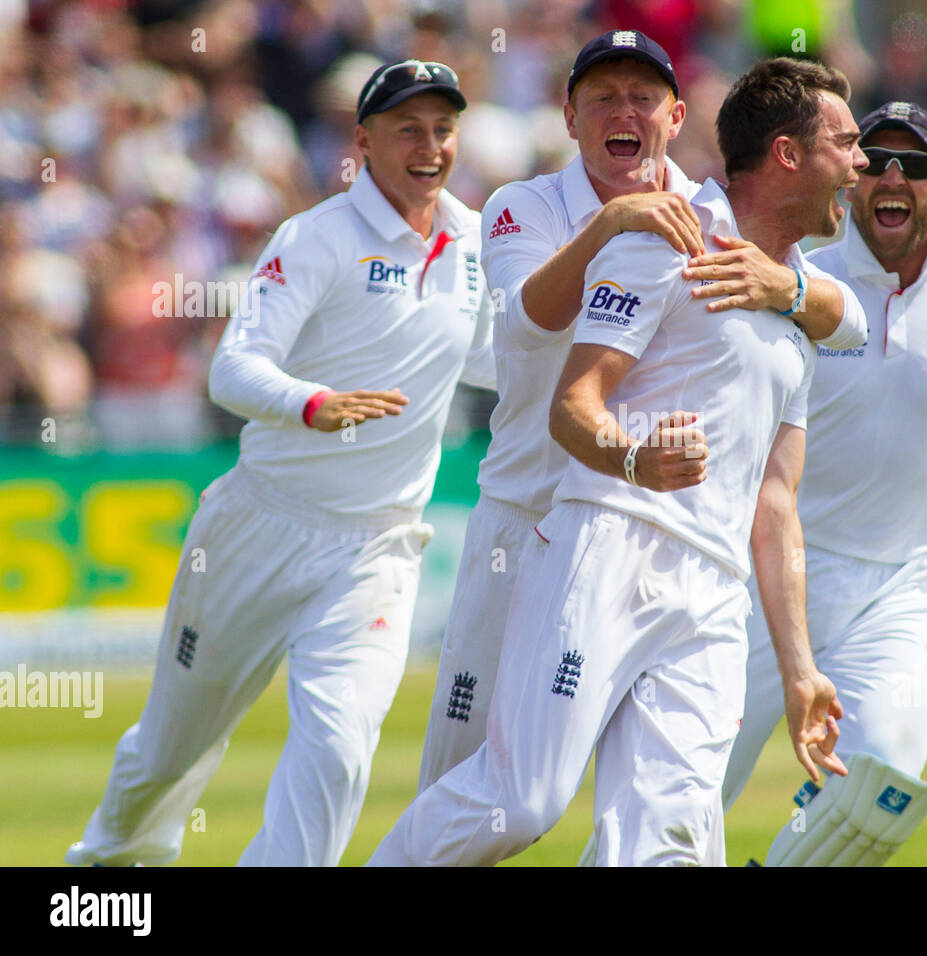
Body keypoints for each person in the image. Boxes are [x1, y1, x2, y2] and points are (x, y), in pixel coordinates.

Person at [369, 56, 869, 867]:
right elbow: (551, 368)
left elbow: (777, 496)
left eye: (644, 97)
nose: (862, 164)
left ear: (676, 117)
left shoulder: (792, 294)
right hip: (589, 531)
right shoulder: (637, 232)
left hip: (709, 587)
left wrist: (801, 667)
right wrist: (634, 458)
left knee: (665, 838)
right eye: (845, 144)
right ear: (786, 153)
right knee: (511, 799)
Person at [66, 60, 496, 867]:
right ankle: (106, 864)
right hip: (260, 525)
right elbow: (232, 368)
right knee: (171, 749)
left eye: (443, 128)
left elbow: (492, 361)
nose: (429, 146)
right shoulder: (316, 237)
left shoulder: (472, 242)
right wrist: (311, 402)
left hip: (375, 547)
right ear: (363, 142)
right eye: (408, 128)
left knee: (338, 749)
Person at [721, 102, 927, 866]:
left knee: (877, 791)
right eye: (876, 160)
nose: (894, 176)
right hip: (759, 579)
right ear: (851, 174)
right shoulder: (795, 277)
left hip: (897, 592)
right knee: (672, 801)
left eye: (917, 165)